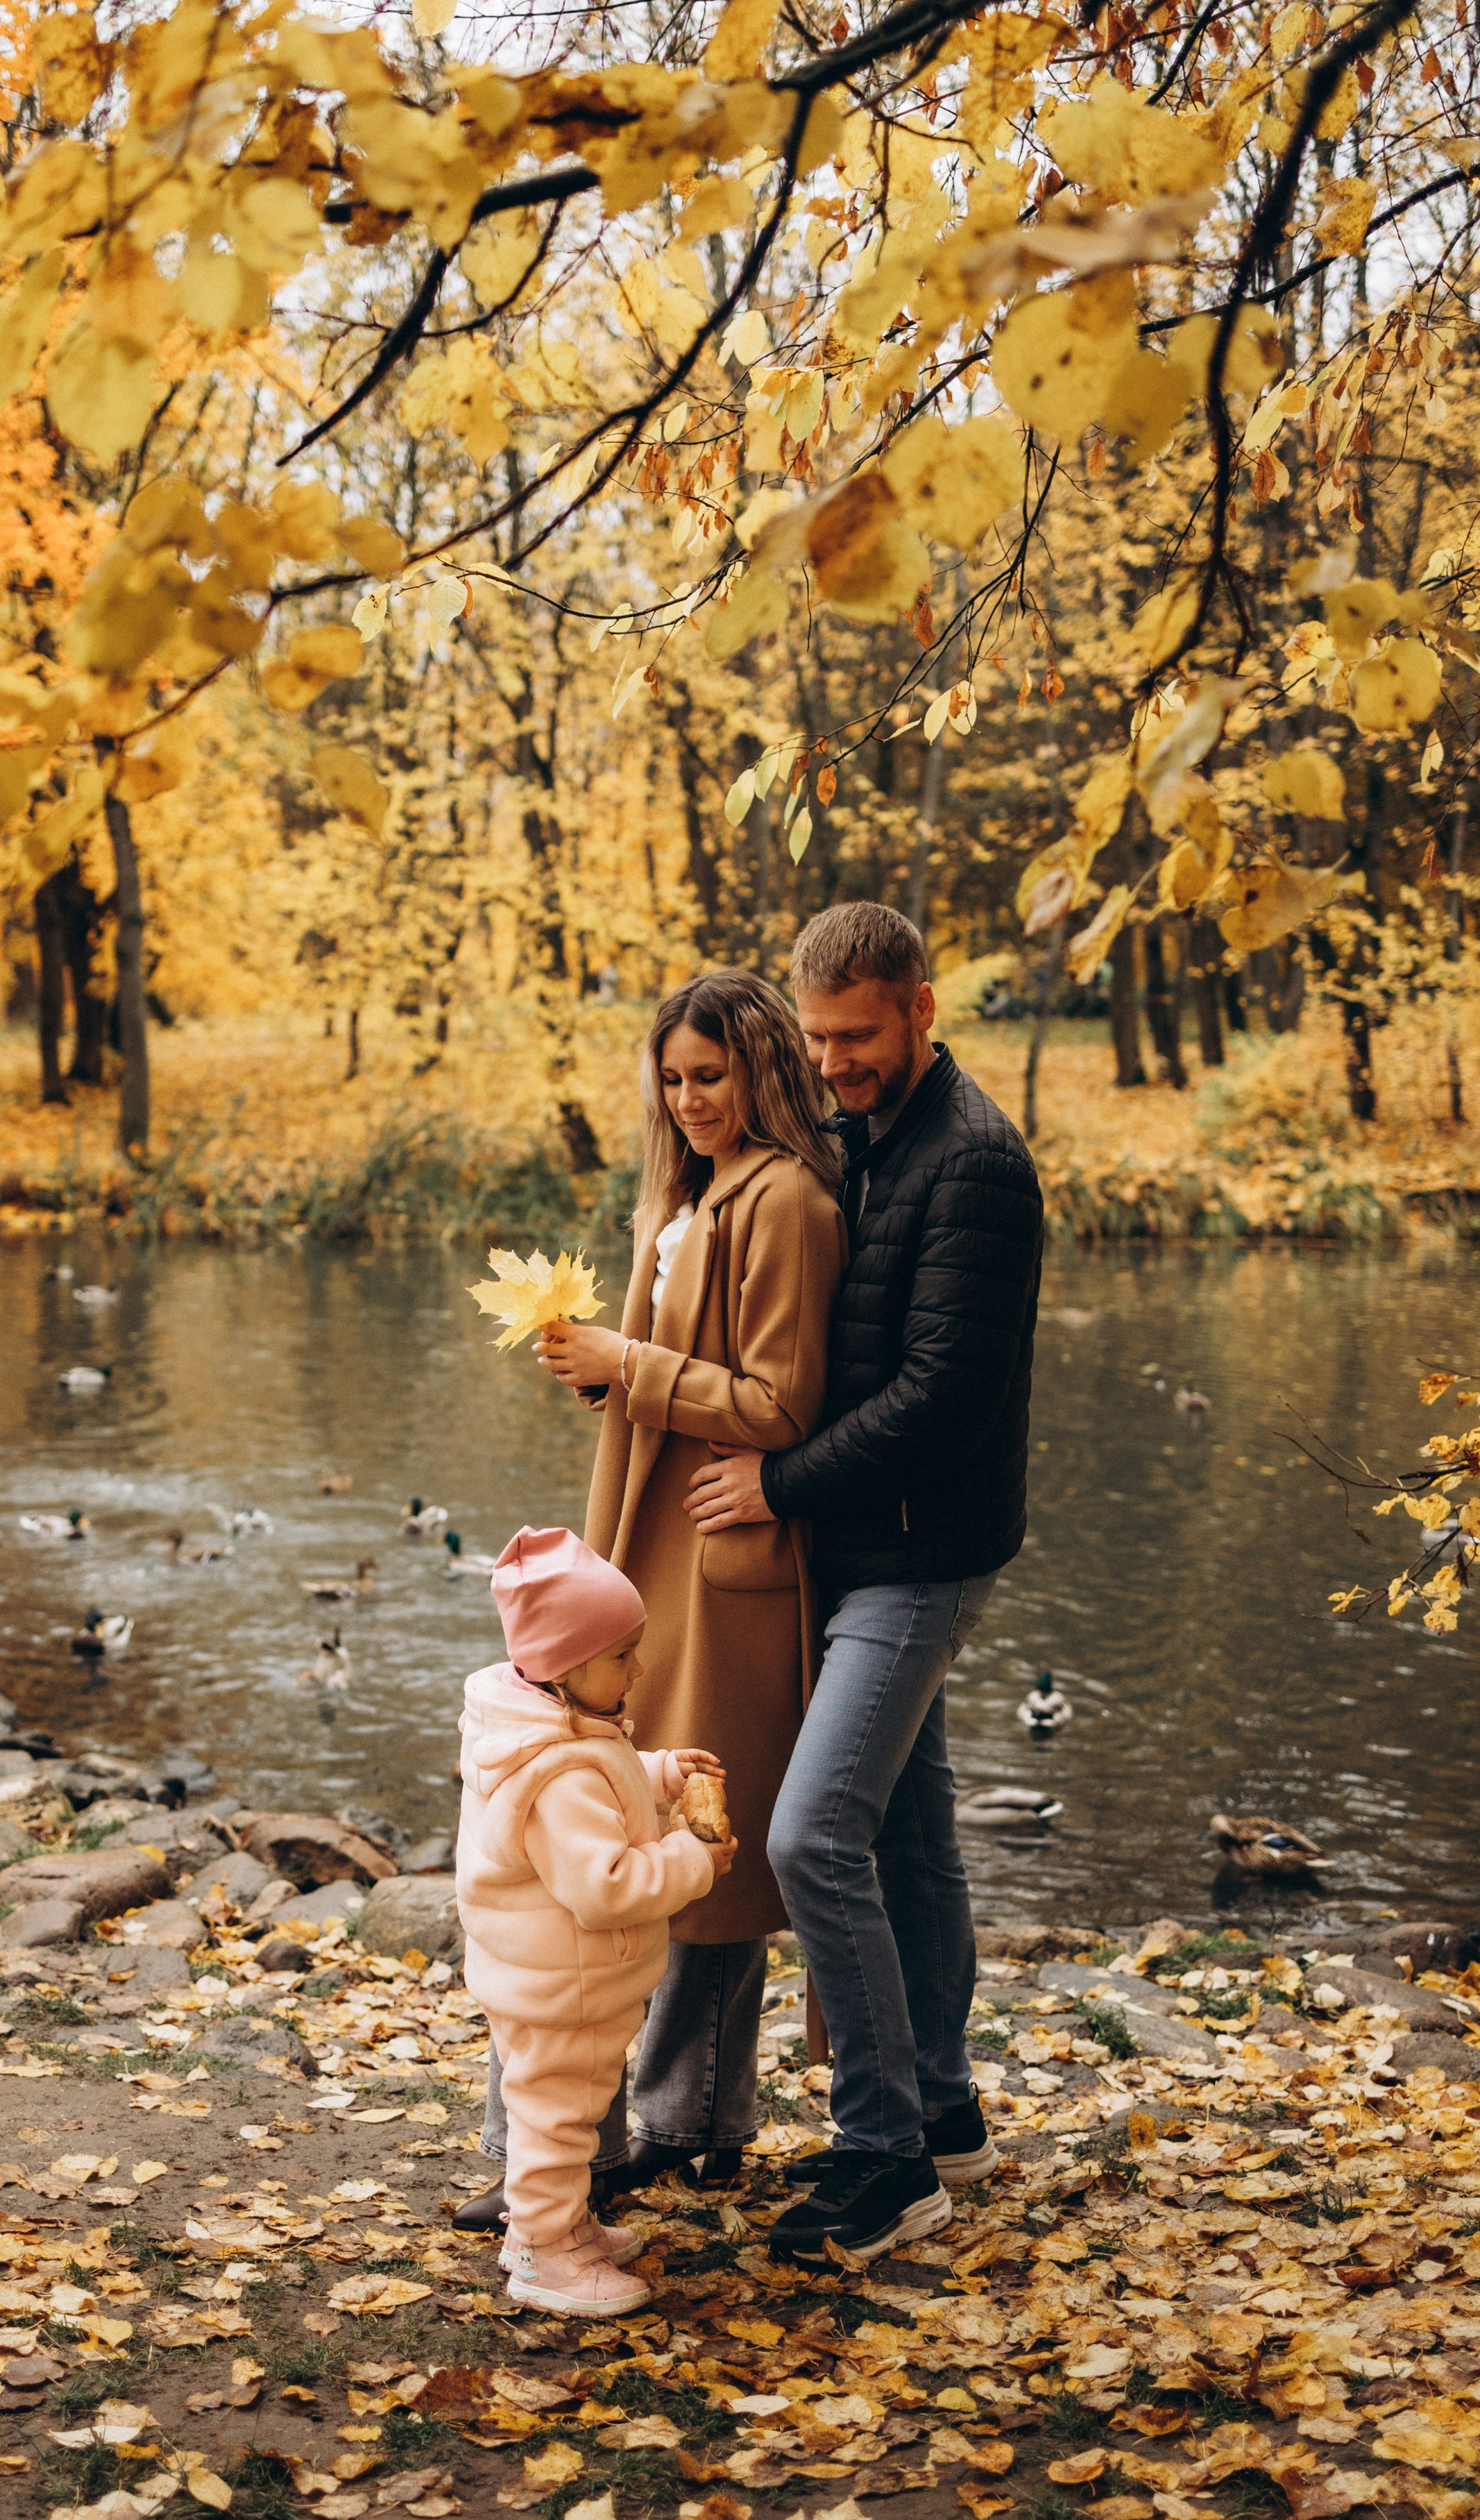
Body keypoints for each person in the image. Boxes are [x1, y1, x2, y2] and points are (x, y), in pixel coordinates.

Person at [685, 902, 1044, 2265]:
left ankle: (881, 2157)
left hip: (920, 1551)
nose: (836, 1061)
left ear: (920, 1009)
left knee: (807, 1837)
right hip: (862, 1548)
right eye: (819, 1037)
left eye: (859, 1035)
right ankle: (944, 2115)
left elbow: (938, 1398)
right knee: (905, 1837)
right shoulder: (855, 1143)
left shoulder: (975, 1166)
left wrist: (774, 1487)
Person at [457, 970, 844, 2229]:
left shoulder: (784, 1199)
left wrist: (630, 1364)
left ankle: (688, 2121)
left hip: (718, 1559)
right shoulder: (680, 1190)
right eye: (673, 1080)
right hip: (645, 1532)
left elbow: (783, 1401)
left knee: (693, 1815)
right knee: (619, 1788)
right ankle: (618, 2127)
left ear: (765, 1072)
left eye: (712, 1077)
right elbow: (682, 1366)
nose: (688, 1101)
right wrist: (599, 1373)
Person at [455, 1525, 733, 2317]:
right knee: (558, 2120)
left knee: (559, 2113)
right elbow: (603, 1884)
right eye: (623, 1657)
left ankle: (553, 2227)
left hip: (545, 1970)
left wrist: (659, 1774)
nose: (639, 1669)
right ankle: (545, 2259)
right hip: (565, 1976)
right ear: (566, 1668)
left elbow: (603, 1785)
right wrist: (691, 1859)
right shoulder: (555, 1769)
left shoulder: (544, 1728)